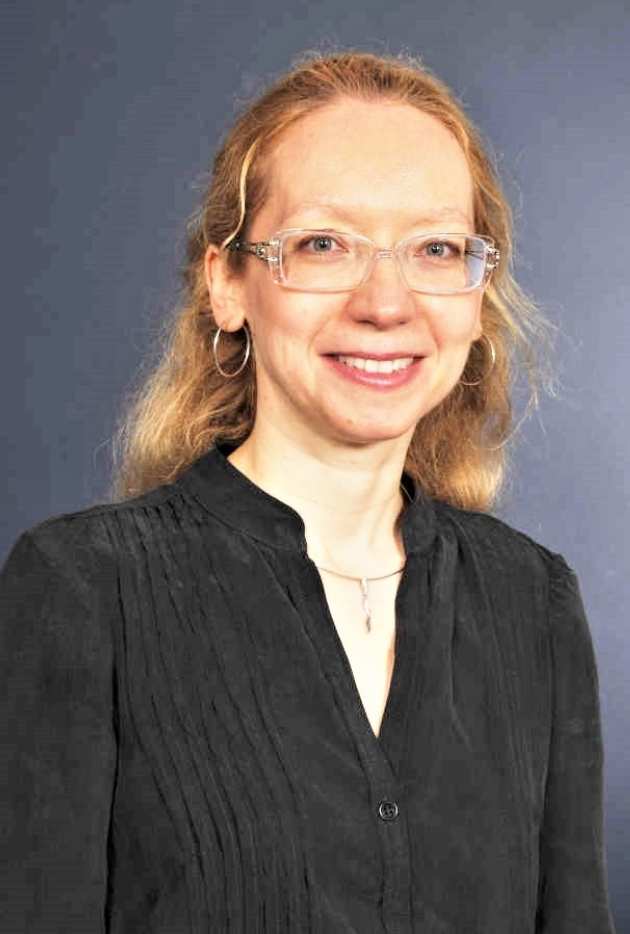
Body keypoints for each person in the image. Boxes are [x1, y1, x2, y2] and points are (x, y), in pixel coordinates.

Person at [0, 49, 616, 933]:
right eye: (323, 244)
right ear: (226, 283)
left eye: (436, 248)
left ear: (478, 297)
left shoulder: (534, 602)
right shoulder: (83, 590)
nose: (385, 302)